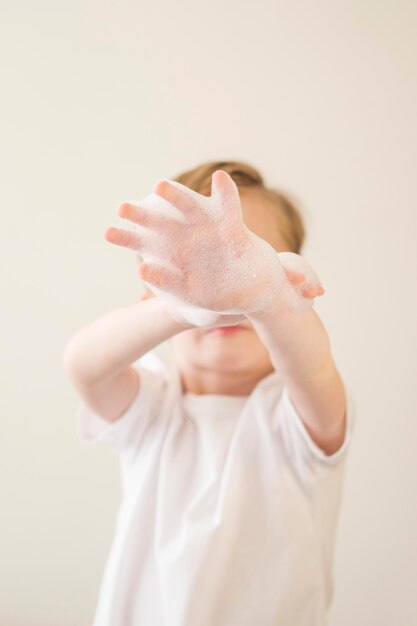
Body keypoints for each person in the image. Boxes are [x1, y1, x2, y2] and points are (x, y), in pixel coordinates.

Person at [63, 160, 355, 626]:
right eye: (196, 268)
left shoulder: (296, 417)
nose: (226, 289)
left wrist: (269, 299)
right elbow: (83, 363)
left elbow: (315, 364)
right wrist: (184, 307)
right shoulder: (153, 409)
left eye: (249, 257)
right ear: (152, 295)